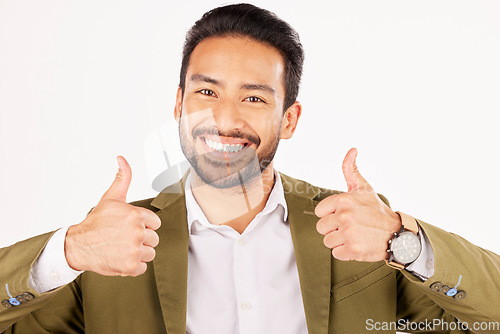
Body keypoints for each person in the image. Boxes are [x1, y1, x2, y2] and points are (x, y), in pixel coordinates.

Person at [1, 3, 499, 333]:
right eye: (207, 91)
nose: (225, 118)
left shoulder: (362, 231)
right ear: (179, 104)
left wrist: (400, 239)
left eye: (254, 97)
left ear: (289, 118)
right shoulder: (102, 253)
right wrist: (63, 253)